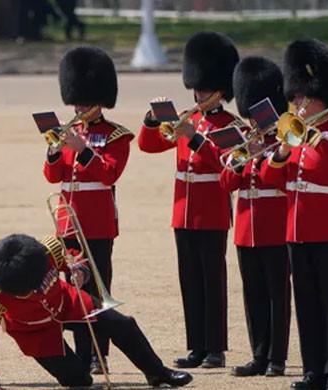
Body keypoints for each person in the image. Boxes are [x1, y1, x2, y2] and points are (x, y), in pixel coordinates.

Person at [259, 39, 328, 390]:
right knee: (305, 303)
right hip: (296, 229)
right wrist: (283, 152)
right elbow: (269, 178)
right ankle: (312, 369)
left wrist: (314, 138)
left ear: (322, 97)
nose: (299, 105)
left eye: (305, 98)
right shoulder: (294, 135)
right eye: (297, 98)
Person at [0, 233, 194, 390]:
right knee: (78, 380)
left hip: (68, 302)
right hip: (35, 334)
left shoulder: (45, 251)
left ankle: (157, 372)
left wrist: (79, 271)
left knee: (121, 324)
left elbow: (73, 256)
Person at [138, 31, 241, 369]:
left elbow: (225, 162)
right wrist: (152, 122)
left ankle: (216, 348)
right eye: (196, 88)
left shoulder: (230, 125)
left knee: (213, 281)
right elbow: (149, 146)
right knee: (190, 281)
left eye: (205, 89)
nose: (198, 94)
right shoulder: (188, 118)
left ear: (220, 90)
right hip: (183, 211)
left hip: (211, 210)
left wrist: (195, 139)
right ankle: (196, 345)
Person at [43, 45, 133, 374]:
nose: (79, 108)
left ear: (100, 100)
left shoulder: (116, 135)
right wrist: (54, 152)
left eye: (84, 102)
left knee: (96, 291)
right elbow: (53, 176)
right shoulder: (69, 134)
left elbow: (109, 173)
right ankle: (81, 355)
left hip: (96, 224)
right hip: (67, 223)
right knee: (73, 289)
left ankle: (99, 354)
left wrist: (82, 151)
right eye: (76, 101)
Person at [221, 56, 291, 377]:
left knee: (277, 294)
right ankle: (258, 354)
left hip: (275, 226)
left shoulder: (284, 139)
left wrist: (262, 155)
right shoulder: (244, 137)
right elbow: (226, 183)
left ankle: (277, 357)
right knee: (253, 296)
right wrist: (239, 159)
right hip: (246, 228)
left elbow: (277, 179)